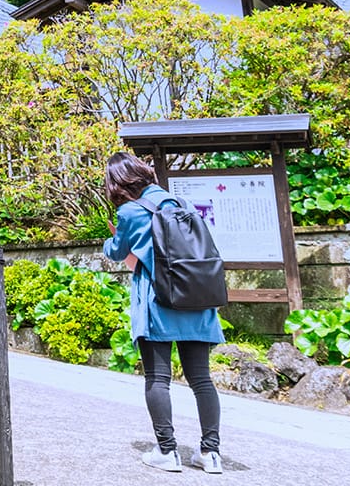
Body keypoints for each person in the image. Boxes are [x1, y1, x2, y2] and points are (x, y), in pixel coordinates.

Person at [102, 151, 224, 474]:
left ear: (117, 184)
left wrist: (110, 237)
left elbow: (116, 252)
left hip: (159, 303)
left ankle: (167, 451)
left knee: (158, 378)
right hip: (197, 301)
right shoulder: (180, 203)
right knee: (202, 379)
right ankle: (211, 453)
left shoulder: (129, 212)